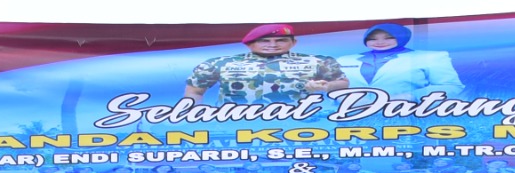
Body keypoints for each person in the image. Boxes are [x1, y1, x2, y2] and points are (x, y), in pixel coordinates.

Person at [185, 25, 348, 105]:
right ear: (249, 44)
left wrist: (327, 86)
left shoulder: (319, 61)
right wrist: (192, 115)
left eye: (281, 40)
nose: (272, 45)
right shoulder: (219, 63)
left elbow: (342, 83)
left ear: (293, 43)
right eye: (264, 41)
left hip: (302, 121)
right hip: (236, 122)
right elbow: (195, 91)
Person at [339, 23, 464, 100]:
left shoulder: (430, 57)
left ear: (401, 37)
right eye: (372, 38)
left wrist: (411, 96)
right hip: (348, 117)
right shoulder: (343, 60)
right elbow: (331, 86)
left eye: (389, 37)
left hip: (406, 116)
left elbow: (452, 87)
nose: (380, 42)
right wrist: (339, 98)